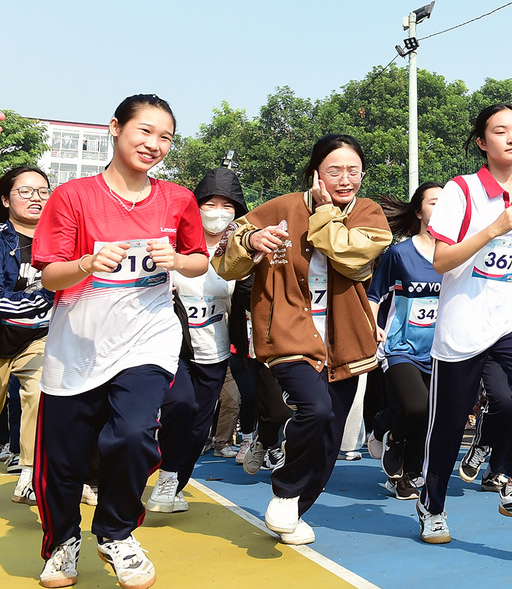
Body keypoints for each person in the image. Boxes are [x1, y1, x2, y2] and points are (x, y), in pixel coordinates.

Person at [32, 94, 209, 589]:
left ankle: (115, 532)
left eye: (166, 137)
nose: (155, 144)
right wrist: (88, 263)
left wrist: (177, 260)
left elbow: (199, 260)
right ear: (115, 128)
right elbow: (50, 275)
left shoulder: (177, 200)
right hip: (78, 345)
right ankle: (62, 542)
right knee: (63, 460)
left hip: (146, 340)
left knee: (133, 434)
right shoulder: (73, 197)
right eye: (145, 131)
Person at [215, 134, 391, 545]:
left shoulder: (368, 214)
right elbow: (224, 259)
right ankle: (285, 489)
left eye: (353, 171)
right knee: (315, 409)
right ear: (315, 173)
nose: (345, 179)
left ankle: (292, 509)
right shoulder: (279, 208)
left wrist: (326, 212)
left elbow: (349, 255)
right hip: (288, 331)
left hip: (346, 341)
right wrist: (250, 242)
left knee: (330, 436)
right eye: (334, 170)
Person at [417, 104, 512, 541]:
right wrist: (492, 229)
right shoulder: (461, 190)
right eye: (500, 131)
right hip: (465, 319)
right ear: (481, 141)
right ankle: (432, 505)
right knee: (449, 422)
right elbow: (442, 261)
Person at [148, 167, 249, 514]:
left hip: (216, 352)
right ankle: (161, 474)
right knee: (180, 405)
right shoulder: (173, 245)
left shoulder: (242, 254)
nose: (218, 212)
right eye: (210, 204)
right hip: (171, 346)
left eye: (227, 205)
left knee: (198, 426)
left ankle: (174, 484)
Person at [367, 182, 443, 500]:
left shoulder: (457, 256)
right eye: (434, 202)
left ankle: (407, 477)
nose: (442, 207)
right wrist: (372, 326)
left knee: (430, 417)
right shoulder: (400, 254)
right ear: (418, 212)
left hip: (440, 350)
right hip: (401, 347)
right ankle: (392, 435)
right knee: (417, 406)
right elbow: (374, 295)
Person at [1, 165, 55, 507]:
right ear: (6, 199)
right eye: (25, 191)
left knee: (39, 392)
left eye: (42, 191)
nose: (36, 198)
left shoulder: (61, 239)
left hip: (37, 338)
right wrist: (41, 301)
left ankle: (29, 474)